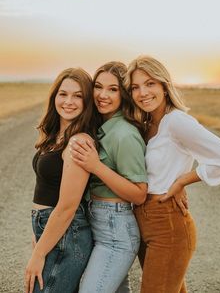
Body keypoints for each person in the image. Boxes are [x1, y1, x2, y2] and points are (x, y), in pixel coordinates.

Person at [124, 55, 220, 293]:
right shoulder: (147, 124)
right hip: (145, 222)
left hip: (168, 224)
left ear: (164, 86)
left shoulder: (176, 122)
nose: (142, 92)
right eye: (135, 87)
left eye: (150, 83)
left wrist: (183, 180)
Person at [69, 61, 148, 293]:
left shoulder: (124, 134)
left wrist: (96, 166)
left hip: (116, 231)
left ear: (123, 94)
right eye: (98, 86)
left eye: (113, 89)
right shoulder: (104, 127)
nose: (103, 95)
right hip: (99, 224)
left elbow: (140, 193)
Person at [24, 68, 97, 293]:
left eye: (78, 96)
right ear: (54, 95)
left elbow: (67, 207)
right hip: (52, 229)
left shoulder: (79, 142)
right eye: (63, 94)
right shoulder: (56, 136)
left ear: (87, 102)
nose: (69, 101)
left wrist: (37, 255)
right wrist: (38, 238)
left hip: (68, 234)